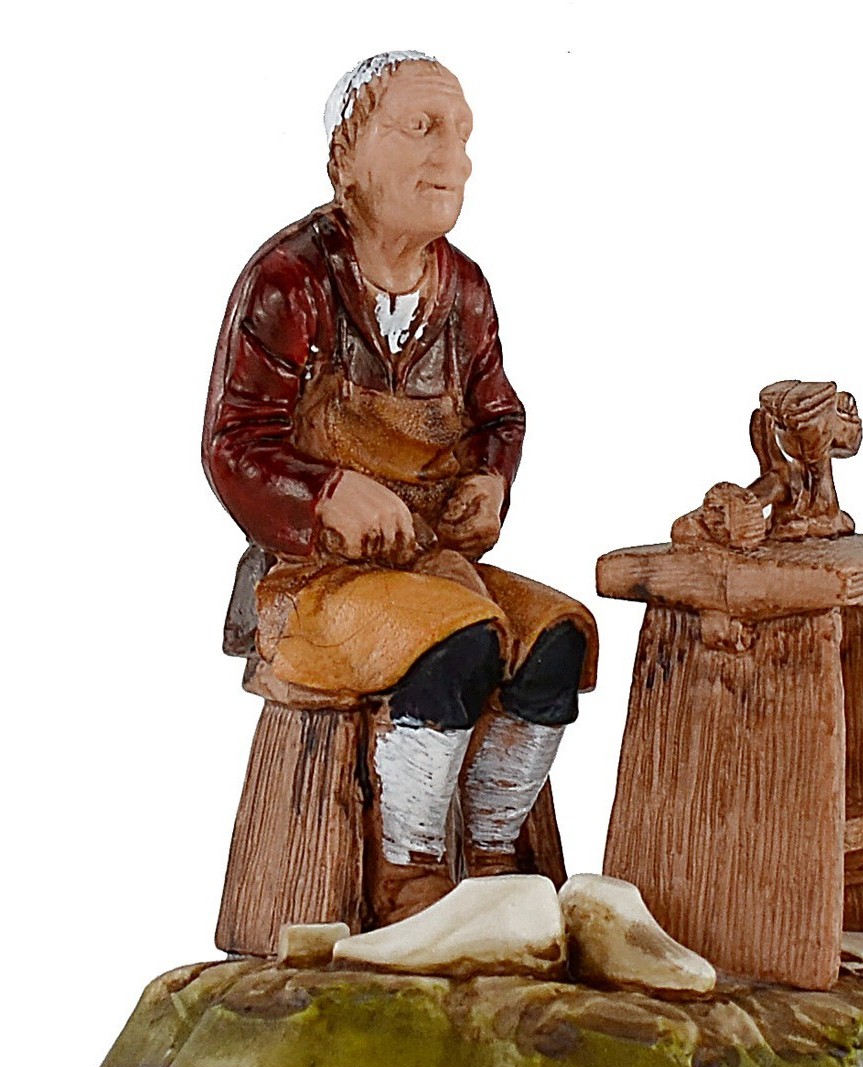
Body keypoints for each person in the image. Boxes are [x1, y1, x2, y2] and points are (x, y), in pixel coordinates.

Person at [202, 51, 597, 926]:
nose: (454, 160)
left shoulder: (465, 292)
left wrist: (490, 480)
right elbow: (234, 446)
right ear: (348, 153)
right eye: (422, 129)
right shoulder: (290, 281)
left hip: (435, 566)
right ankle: (410, 871)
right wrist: (324, 495)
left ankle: (492, 853)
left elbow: (500, 415)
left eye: (462, 136)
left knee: (556, 637)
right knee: (458, 642)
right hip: (314, 582)